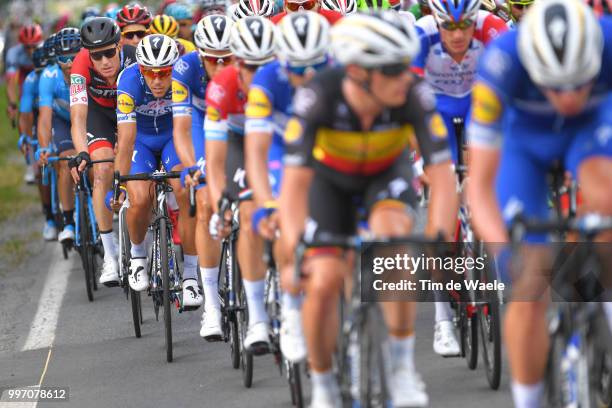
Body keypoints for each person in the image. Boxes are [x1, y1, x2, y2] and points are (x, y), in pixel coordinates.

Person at [279, 11, 458, 407]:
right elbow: (293, 186)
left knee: (396, 253)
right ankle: (324, 384)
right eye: (392, 70)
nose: (405, 77)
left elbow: (443, 176)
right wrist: (295, 249)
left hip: (385, 176)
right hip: (330, 183)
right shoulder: (319, 95)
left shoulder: (414, 93)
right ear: (359, 73)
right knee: (323, 280)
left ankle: (400, 366)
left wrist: (439, 240)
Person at [466, 1, 612, 407]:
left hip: (593, 128)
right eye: (554, 86)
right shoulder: (501, 62)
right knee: (528, 286)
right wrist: (502, 249)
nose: (567, 98)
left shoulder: (609, 40)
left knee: (605, 200)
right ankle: (528, 399)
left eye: (579, 83)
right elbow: (478, 186)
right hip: (523, 144)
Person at [412, 0, 507, 357]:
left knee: (481, 185)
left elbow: (513, 90)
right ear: (436, 22)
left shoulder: (493, 28)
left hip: (478, 109)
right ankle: (442, 320)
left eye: (464, 26)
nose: (457, 35)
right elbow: (406, 103)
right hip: (434, 114)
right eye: (448, 27)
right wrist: (422, 158)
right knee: (442, 208)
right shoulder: (419, 36)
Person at [244, 11, 331, 363]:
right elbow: (256, 151)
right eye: (297, 69)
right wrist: (266, 204)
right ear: (283, 63)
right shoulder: (266, 81)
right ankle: (293, 312)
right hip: (282, 150)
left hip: (326, 143)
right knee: (285, 221)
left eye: (316, 67)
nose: (307, 77)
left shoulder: (343, 73)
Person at [111, 34, 203, 309]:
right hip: (140, 140)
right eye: (150, 73)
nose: (158, 80)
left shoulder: (183, 79)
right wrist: (120, 184)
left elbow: (187, 128)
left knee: (185, 192)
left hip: (172, 137)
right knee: (139, 199)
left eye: (164, 72)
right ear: (141, 70)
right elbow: (126, 140)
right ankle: (138, 256)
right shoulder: (128, 81)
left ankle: (190, 276)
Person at [205, 16, 276, 353]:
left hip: (276, 140)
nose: (258, 77)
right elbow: (216, 164)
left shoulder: (291, 80)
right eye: (250, 68)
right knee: (248, 215)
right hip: (237, 143)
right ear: (236, 64)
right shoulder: (220, 86)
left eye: (266, 66)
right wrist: (220, 205)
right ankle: (259, 318)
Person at [172, 14, 234, 340]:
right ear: (200, 54)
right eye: (213, 59)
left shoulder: (247, 68)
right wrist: (192, 167)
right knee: (206, 202)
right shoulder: (184, 70)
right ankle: (211, 304)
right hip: (200, 121)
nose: (221, 65)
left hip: (234, 120)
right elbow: (181, 130)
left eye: (228, 57)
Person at [69, 17, 136, 287]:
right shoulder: (79, 66)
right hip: (100, 114)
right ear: (88, 55)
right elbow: (78, 118)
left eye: (110, 52)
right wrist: (82, 152)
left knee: (140, 170)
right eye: (97, 56)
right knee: (102, 169)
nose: (105, 61)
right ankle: (110, 255)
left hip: (131, 112)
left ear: (120, 46)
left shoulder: (134, 58)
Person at [37, 28, 80, 244]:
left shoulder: (91, 70)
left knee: (96, 164)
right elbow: (45, 118)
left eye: (75, 57)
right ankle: (69, 221)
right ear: (56, 59)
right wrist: (44, 147)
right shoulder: (48, 77)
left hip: (88, 117)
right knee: (66, 161)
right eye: (64, 58)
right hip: (62, 120)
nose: (71, 64)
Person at [19, 44, 55, 240]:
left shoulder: (55, 76)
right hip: (37, 119)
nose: (44, 75)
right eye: (40, 71)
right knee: (41, 170)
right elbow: (25, 114)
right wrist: (25, 137)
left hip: (57, 117)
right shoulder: (31, 80)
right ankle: (49, 216)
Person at [6, 24, 42, 131]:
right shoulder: (13, 53)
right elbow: (11, 82)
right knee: (25, 105)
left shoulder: (45, 49)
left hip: (40, 74)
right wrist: (12, 104)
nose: (31, 50)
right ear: (22, 44)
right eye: (27, 47)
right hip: (24, 75)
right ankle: (26, 140)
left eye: (34, 46)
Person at [270, 0, 343, 24]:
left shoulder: (336, 19)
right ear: (284, 8)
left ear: (319, 4)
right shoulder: (275, 23)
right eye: (293, 6)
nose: (301, 11)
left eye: (308, 5)